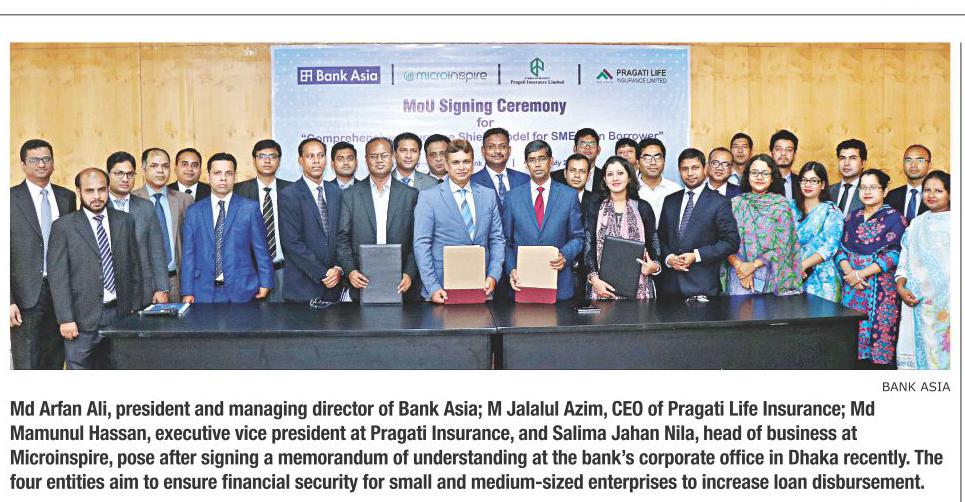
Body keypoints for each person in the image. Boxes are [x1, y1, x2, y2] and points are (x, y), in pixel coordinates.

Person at [48, 168, 140, 369]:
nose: (97, 196)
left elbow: (134, 267)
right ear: (79, 192)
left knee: (121, 371)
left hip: (120, 315)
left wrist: (134, 310)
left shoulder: (125, 221)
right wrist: (66, 319)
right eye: (90, 191)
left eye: (101, 189)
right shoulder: (63, 227)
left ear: (108, 189)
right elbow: (58, 277)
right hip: (81, 320)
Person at [10, 139, 76, 369]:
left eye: (46, 159)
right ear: (22, 164)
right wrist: (7, 300)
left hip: (61, 294)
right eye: (34, 160)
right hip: (25, 296)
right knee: (27, 363)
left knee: (56, 360)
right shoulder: (9, 199)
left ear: (53, 163)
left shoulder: (67, 197)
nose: (41, 164)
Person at [413, 139, 504, 303]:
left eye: (466, 161)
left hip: (482, 286)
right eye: (455, 162)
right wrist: (432, 287)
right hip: (442, 288)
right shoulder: (429, 197)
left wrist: (493, 275)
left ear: (473, 164)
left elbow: (497, 239)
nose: (461, 167)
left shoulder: (488, 195)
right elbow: (421, 244)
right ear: (447, 166)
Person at [836, 169, 907, 369]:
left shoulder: (895, 218)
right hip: (851, 288)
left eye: (873, 187)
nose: (867, 192)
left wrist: (860, 274)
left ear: (885, 191)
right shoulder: (851, 218)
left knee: (878, 351)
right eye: (863, 187)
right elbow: (839, 249)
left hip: (880, 291)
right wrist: (850, 273)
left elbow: (894, 254)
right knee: (851, 346)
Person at [180, 153, 273, 303]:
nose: (223, 178)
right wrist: (187, 291)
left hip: (243, 290)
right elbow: (188, 255)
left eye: (228, 173)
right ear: (208, 176)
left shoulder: (250, 208)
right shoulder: (194, 211)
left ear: (235, 176)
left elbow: (261, 249)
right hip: (203, 291)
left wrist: (266, 282)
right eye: (217, 173)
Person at [336, 137, 419, 302]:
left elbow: (417, 240)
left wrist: (409, 273)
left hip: (401, 283)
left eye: (384, 155)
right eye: (373, 156)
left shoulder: (410, 195)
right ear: (366, 160)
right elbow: (342, 238)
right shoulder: (350, 195)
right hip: (361, 281)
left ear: (392, 157)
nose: (379, 160)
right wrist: (351, 271)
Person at [501, 140, 584, 302]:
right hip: (521, 283)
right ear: (526, 165)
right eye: (532, 160)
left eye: (542, 158)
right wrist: (511, 269)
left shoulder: (569, 196)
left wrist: (565, 255)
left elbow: (578, 237)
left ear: (551, 161)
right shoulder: (512, 197)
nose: (537, 164)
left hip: (559, 285)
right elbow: (506, 241)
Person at [657, 149, 739, 298]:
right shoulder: (670, 200)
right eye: (685, 169)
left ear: (705, 168)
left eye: (695, 168)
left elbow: (731, 242)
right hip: (669, 287)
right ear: (679, 171)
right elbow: (660, 238)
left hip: (703, 287)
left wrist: (696, 255)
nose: (690, 173)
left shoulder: (720, 202)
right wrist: (668, 258)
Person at [723, 154, 802, 295]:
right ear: (747, 176)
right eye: (754, 172)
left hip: (771, 276)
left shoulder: (781, 205)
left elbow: (784, 245)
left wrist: (753, 266)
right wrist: (741, 267)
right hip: (740, 276)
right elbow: (725, 241)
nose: (759, 177)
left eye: (765, 173)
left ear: (772, 178)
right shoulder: (736, 203)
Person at [584, 156, 660, 300]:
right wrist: (594, 279)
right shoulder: (594, 208)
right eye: (610, 174)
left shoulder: (643, 208)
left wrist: (654, 266)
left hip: (638, 290)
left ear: (629, 177)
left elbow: (654, 244)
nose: (615, 178)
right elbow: (589, 246)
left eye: (620, 173)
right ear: (605, 179)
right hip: (601, 289)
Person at [895, 170, 950, 370]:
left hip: (950, 304)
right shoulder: (916, 224)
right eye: (927, 190)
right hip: (917, 301)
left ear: (950, 194)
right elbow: (904, 261)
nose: (931, 195)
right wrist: (900, 286)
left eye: (938, 191)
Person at [279, 138, 344, 302]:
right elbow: (291, 243)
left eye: (320, 155)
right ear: (300, 160)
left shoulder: (337, 192)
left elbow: (343, 235)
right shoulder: (289, 195)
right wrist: (324, 273)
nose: (316, 161)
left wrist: (338, 268)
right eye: (310, 156)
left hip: (335, 287)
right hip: (302, 289)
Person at [106, 151, 170, 308]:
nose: (125, 179)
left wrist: (162, 288)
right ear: (108, 174)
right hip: (110, 291)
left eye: (130, 174)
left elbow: (156, 251)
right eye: (119, 173)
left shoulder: (146, 207)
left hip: (143, 289)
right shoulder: (99, 207)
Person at [234, 139, 293, 302]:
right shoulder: (238, 191)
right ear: (254, 160)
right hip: (252, 271)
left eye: (272, 156)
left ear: (279, 160)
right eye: (262, 156)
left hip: (287, 270)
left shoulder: (292, 190)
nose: (267, 160)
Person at [132, 148, 193, 301]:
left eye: (165, 166)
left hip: (177, 281)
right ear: (143, 169)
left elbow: (191, 244)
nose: (160, 170)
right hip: (146, 283)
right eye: (154, 166)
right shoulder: (132, 200)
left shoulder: (184, 200)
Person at [790, 161, 844, 302]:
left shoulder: (831, 211)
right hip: (791, 274)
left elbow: (830, 246)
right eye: (804, 180)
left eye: (814, 181)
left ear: (823, 184)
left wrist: (804, 265)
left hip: (822, 277)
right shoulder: (790, 207)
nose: (808, 185)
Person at [562, 153, 600, 304]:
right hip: (561, 269)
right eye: (573, 170)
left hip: (590, 274)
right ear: (565, 173)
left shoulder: (599, 201)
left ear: (588, 175)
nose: (577, 176)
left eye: (582, 171)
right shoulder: (553, 199)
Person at [471, 127, 530, 212]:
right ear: (483, 150)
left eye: (502, 146)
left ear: (509, 150)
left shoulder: (524, 179)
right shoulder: (472, 181)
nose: (497, 151)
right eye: (491, 147)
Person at [636, 137, 682, 223]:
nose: (653, 162)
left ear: (664, 161)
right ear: (638, 163)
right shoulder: (629, 191)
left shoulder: (676, 190)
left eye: (657, 157)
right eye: (647, 158)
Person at [885, 144, 932, 223]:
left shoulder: (936, 196)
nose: (913, 165)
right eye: (908, 160)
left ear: (929, 165)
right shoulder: (891, 196)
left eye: (920, 160)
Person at [552, 127, 605, 192]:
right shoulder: (554, 178)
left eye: (592, 144)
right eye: (582, 143)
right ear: (575, 149)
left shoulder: (605, 177)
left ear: (598, 150)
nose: (587, 147)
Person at [828, 138, 866, 215]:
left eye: (853, 158)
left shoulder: (868, 192)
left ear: (863, 163)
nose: (846, 163)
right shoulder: (828, 191)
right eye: (842, 158)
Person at [769, 129, 801, 202]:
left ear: (795, 154)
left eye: (789, 150)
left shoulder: (802, 182)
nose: (783, 153)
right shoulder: (763, 182)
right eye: (778, 149)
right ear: (771, 152)